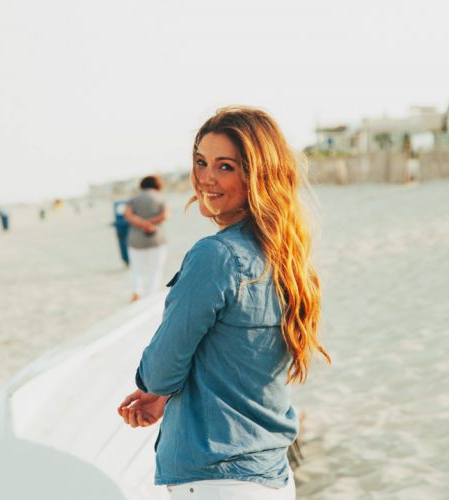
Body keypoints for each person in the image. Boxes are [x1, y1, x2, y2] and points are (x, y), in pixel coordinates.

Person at [118, 106, 330, 499]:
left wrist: (156, 387)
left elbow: (161, 369)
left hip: (217, 480)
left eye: (226, 166)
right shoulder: (285, 256)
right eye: (201, 162)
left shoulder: (215, 256)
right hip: (272, 476)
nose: (206, 178)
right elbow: (241, 364)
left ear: (258, 174)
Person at [124, 174, 168, 302]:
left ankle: (136, 292)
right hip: (156, 239)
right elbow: (165, 215)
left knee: (136, 269)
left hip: (136, 240)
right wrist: (150, 223)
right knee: (155, 270)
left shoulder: (133, 199)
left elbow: (128, 215)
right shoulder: (160, 198)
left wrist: (142, 223)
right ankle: (151, 296)